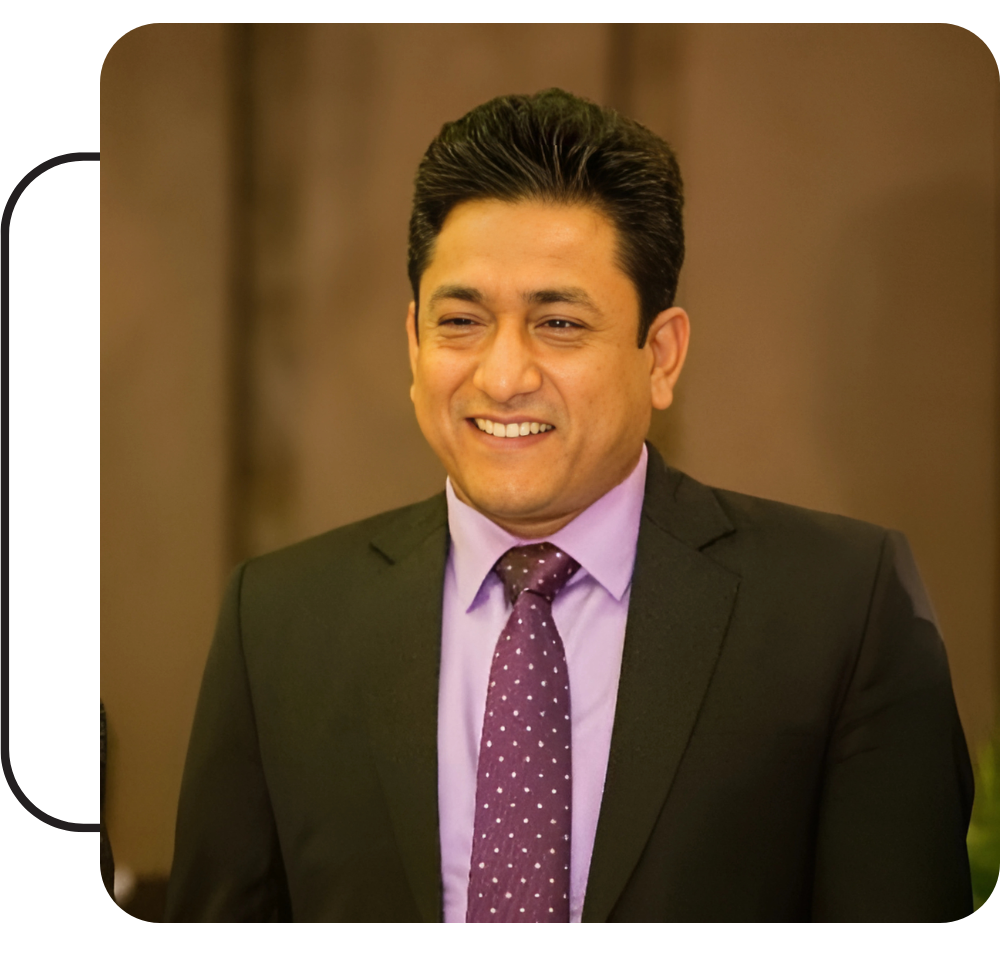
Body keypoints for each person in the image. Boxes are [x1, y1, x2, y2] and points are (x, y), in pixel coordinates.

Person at [164, 89, 974, 922]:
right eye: (461, 321)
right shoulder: (278, 620)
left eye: (557, 323)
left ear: (661, 355)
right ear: (413, 344)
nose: (503, 376)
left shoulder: (842, 608)